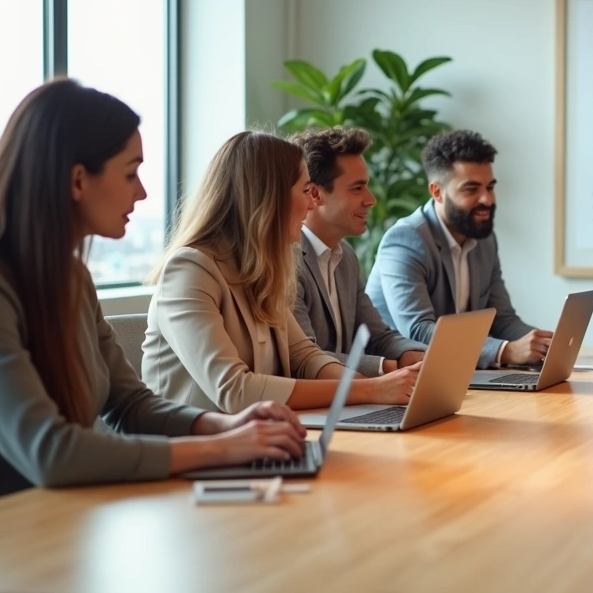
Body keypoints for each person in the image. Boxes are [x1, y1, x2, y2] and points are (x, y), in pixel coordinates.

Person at [0, 80, 310, 517]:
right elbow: (51, 453)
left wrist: (225, 424)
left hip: (60, 521)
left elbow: (130, 405)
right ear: (78, 180)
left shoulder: (73, 280)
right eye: (130, 173)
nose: (141, 192)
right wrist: (220, 448)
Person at [141, 131, 420, 414]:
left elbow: (305, 357)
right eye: (304, 191)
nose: (312, 204)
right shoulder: (190, 269)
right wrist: (370, 390)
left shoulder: (263, 266)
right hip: (195, 448)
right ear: (268, 197)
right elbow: (235, 390)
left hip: (258, 438)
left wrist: (379, 394)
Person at [367, 130, 551, 370]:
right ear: (437, 192)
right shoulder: (405, 240)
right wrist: (505, 351)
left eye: (490, 187)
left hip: (458, 371)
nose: (487, 199)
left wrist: (543, 344)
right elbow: (418, 331)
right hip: (402, 378)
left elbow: (502, 319)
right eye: (471, 189)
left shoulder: (483, 239)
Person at [290, 127, 426, 376]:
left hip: (351, 400)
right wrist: (390, 367)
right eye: (357, 188)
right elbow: (305, 356)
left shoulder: (346, 257)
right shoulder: (288, 262)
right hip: (311, 408)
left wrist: (416, 355)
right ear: (315, 194)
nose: (371, 199)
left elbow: (377, 337)